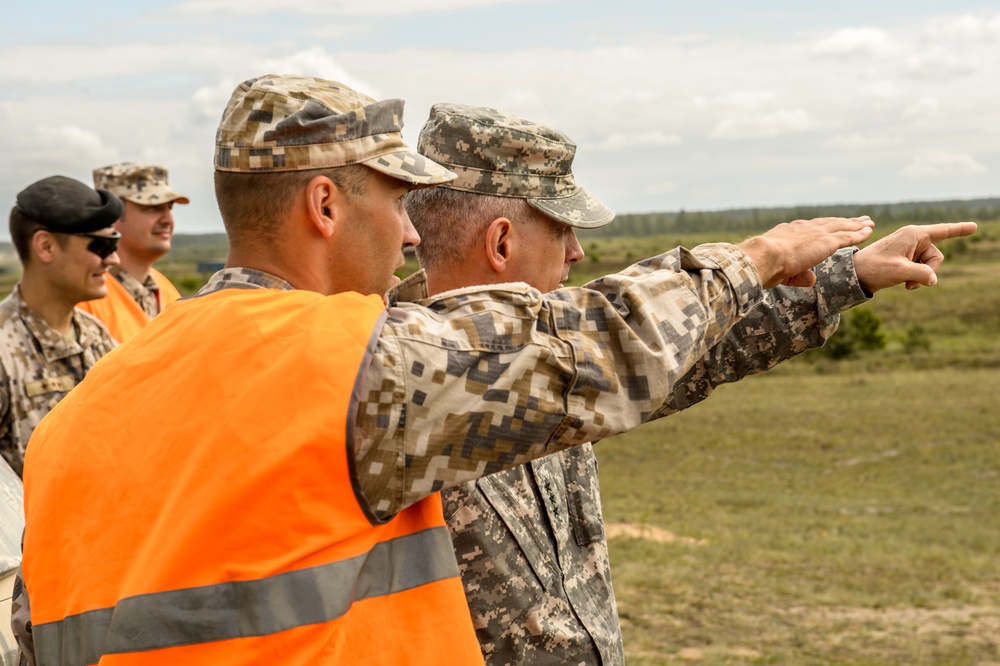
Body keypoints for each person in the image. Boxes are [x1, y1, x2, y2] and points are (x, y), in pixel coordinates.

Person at [14, 74, 971, 666]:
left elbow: (43, 623)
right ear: (323, 205)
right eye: (396, 199)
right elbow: (600, 348)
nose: (410, 227)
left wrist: (838, 281)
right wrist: (757, 258)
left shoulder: (91, 406)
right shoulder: (365, 365)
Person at [403, 103, 980, 664]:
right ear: (502, 243)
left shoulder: (552, 359)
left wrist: (849, 274)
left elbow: (683, 348)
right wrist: (759, 258)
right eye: (561, 230)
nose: (577, 252)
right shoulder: (404, 384)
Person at [0, 176, 120, 479]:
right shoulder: (3, 348)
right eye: (102, 245)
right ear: (46, 246)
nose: (113, 259)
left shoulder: (97, 336)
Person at [76, 162, 188, 342]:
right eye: (152, 207)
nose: (168, 219)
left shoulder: (167, 291)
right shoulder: (83, 298)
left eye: (169, 207)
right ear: (112, 215)